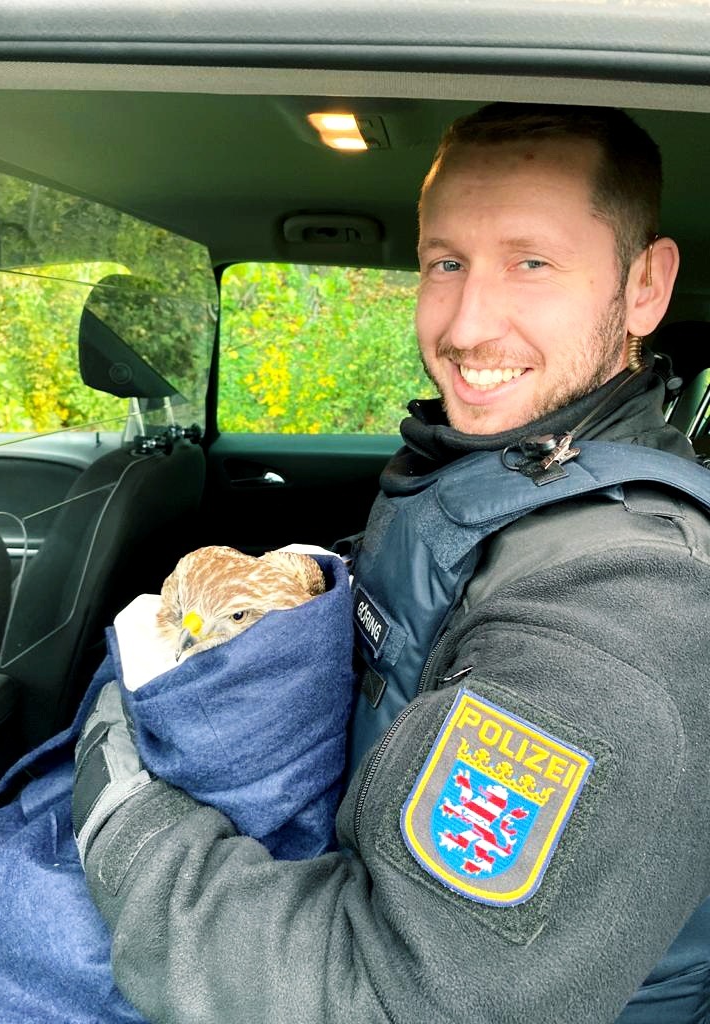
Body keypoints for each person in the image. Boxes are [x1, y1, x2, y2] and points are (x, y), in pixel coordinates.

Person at [73, 104, 710, 1024]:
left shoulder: (629, 605)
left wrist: (121, 818)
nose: (466, 324)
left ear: (645, 288)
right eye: (446, 263)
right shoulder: (505, 477)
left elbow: (392, 1000)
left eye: (531, 263)